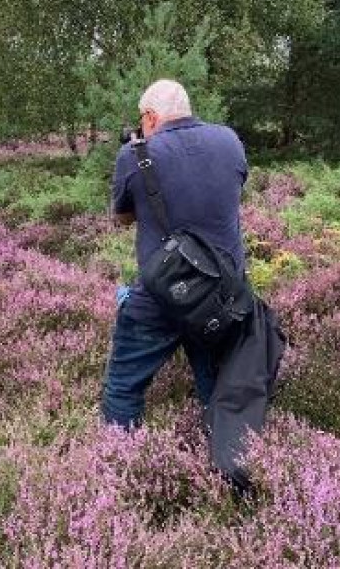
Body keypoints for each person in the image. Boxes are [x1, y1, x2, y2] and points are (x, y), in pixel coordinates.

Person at [102, 79, 249, 429]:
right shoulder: (230, 140)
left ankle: (117, 463)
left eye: (141, 119)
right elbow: (232, 188)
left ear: (151, 116)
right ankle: (224, 467)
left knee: (123, 388)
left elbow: (121, 218)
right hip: (221, 296)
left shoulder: (134, 155)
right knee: (217, 392)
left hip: (161, 297)